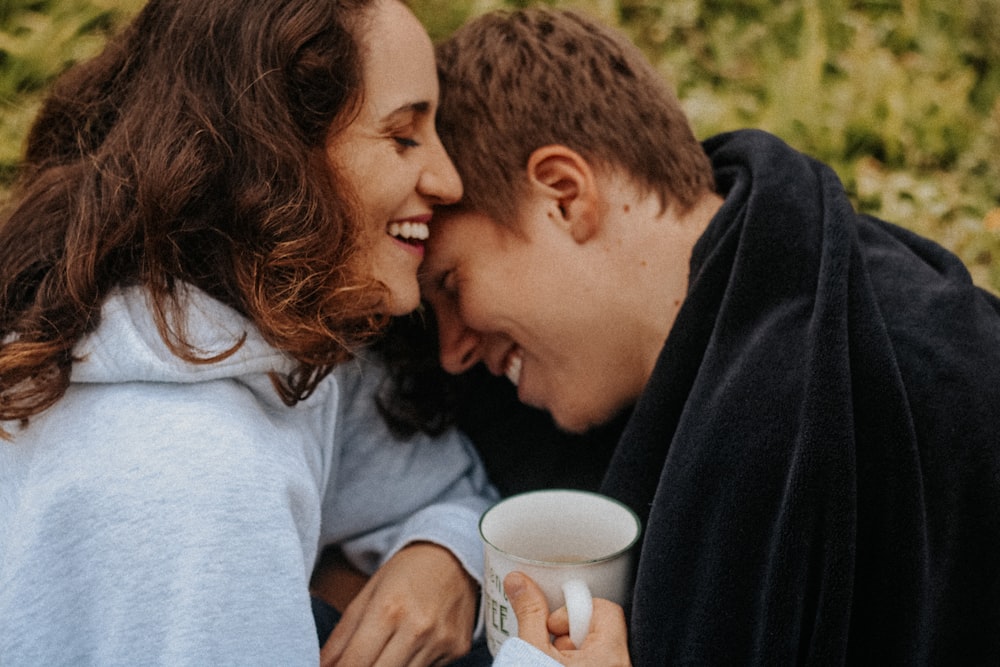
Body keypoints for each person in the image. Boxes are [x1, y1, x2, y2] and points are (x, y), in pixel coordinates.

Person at [423, 7, 1000, 666]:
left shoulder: (923, 379)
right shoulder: (636, 380)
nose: (453, 348)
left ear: (562, 195)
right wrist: (445, 549)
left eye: (451, 284)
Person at [0, 0, 499, 664]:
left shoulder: (248, 338)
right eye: (403, 135)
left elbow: (446, 490)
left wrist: (444, 556)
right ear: (279, 153)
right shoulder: (194, 476)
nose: (448, 179)